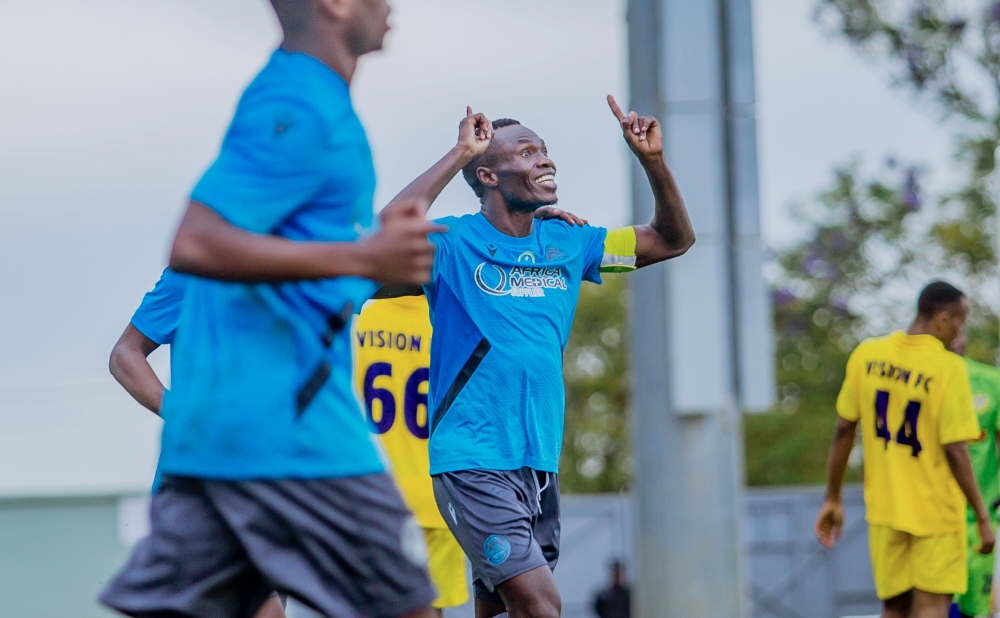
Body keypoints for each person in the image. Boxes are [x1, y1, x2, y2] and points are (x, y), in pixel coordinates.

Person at [99, 1, 445, 616]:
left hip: (225, 444)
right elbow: (196, 241)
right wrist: (365, 259)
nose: (391, 5)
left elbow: (310, 268)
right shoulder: (299, 106)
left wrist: (374, 257)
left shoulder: (305, 97)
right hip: (295, 439)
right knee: (413, 607)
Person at [380, 97, 695, 618]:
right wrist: (458, 152)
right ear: (488, 175)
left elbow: (671, 239)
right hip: (473, 458)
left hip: (538, 463)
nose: (544, 161)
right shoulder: (453, 244)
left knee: (500, 609)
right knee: (541, 606)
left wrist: (652, 162)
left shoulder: (570, 242)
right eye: (526, 153)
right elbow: (381, 241)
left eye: (544, 151)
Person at [108, 269, 286, 618]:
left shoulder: (301, 272)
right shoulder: (191, 275)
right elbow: (124, 355)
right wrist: (182, 414)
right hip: (206, 486)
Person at [814, 281, 996, 618]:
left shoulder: (867, 354)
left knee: (894, 608)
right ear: (942, 319)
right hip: (937, 514)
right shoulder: (947, 367)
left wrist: (833, 498)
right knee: (931, 605)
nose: (961, 329)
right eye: (960, 319)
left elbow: (843, 430)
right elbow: (956, 450)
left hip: (885, 510)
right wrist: (982, 517)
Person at [947, 329, 1000, 618]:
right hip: (934, 521)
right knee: (936, 606)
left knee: (976, 611)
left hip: (982, 521)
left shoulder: (991, 381)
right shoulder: (924, 382)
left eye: (962, 324)